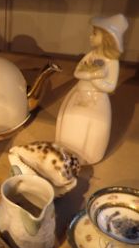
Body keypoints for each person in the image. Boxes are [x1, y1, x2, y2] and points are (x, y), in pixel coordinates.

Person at [55, 14, 128, 164]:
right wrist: (91, 74)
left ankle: (88, 156)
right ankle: (65, 149)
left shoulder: (112, 62)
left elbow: (110, 86)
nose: (90, 36)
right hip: (78, 93)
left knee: (92, 125)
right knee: (70, 120)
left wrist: (94, 79)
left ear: (107, 38)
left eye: (95, 33)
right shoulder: (90, 55)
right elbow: (77, 72)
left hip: (97, 99)